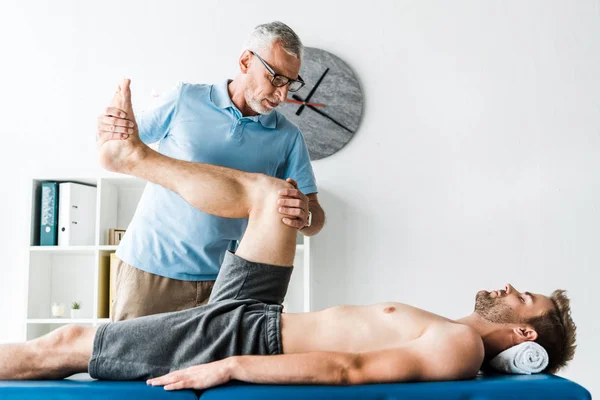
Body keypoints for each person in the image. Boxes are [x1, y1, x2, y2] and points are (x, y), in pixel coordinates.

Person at [0, 81, 576, 390]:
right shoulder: (453, 333)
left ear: (523, 332)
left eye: (522, 295)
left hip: (243, 336)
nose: (509, 286)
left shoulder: (462, 346)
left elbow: (345, 370)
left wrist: (230, 366)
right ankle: (136, 159)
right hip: (259, 309)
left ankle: (135, 159)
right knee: (274, 196)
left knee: (64, 344)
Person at [96, 21, 325, 321]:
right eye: (276, 79)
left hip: (227, 282)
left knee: (215, 369)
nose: (283, 96)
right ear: (245, 61)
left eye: (291, 84)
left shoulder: (288, 137)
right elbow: (123, 143)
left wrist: (304, 215)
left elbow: (316, 218)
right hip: (150, 268)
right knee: (132, 365)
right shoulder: (184, 99)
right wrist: (110, 126)